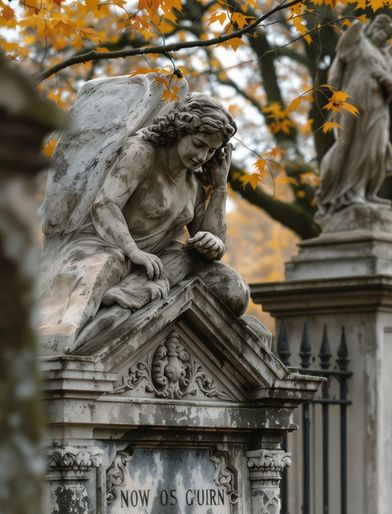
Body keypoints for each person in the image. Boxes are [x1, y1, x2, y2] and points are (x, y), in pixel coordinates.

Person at [38, 89, 245, 350]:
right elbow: (105, 205)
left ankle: (129, 292)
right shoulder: (142, 151)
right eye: (199, 144)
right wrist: (133, 251)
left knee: (232, 288)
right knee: (108, 263)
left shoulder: (194, 180)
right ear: (181, 130)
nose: (202, 157)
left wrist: (220, 188)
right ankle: (125, 294)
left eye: (212, 150)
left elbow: (213, 244)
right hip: (105, 244)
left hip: (159, 260)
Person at [315, 13, 392, 217]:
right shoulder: (358, 42)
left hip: (377, 106)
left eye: (387, 32)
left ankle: (369, 190)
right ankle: (351, 190)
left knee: (376, 147)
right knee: (352, 145)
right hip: (354, 101)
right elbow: (344, 48)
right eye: (379, 27)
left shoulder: (385, 56)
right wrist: (359, 24)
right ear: (371, 27)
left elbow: (388, 68)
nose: (382, 32)